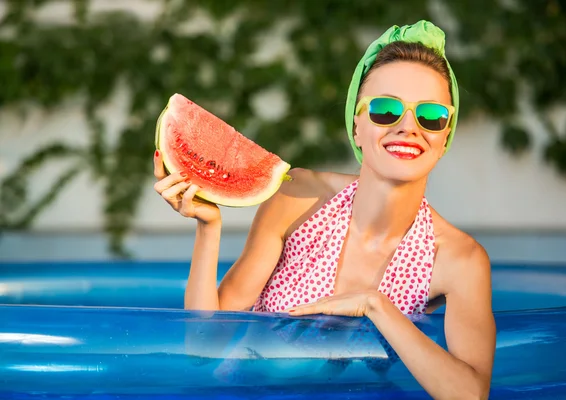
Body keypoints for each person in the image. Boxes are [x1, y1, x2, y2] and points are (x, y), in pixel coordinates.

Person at [153, 20, 496, 400]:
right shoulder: (298, 198)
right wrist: (208, 228)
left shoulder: (460, 259)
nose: (408, 127)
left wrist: (375, 306)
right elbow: (202, 347)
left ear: (445, 133)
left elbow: (470, 393)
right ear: (356, 125)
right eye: (385, 110)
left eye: (431, 116)